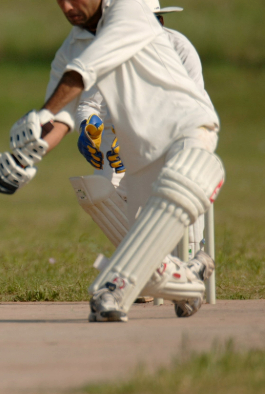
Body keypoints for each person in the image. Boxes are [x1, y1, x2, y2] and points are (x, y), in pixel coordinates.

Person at [0, 0, 224, 322]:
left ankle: (112, 288)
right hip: (139, 155)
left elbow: (83, 73)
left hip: (186, 127)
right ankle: (190, 277)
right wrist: (26, 156)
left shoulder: (130, 10)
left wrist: (43, 113)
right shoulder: (70, 50)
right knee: (147, 254)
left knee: (183, 182)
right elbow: (63, 117)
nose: (68, 6)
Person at [73, 0, 211, 266]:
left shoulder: (180, 48)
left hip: (178, 139)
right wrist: (88, 127)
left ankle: (191, 263)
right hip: (122, 144)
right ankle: (151, 270)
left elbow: (189, 109)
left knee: (179, 189)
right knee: (95, 195)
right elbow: (90, 104)